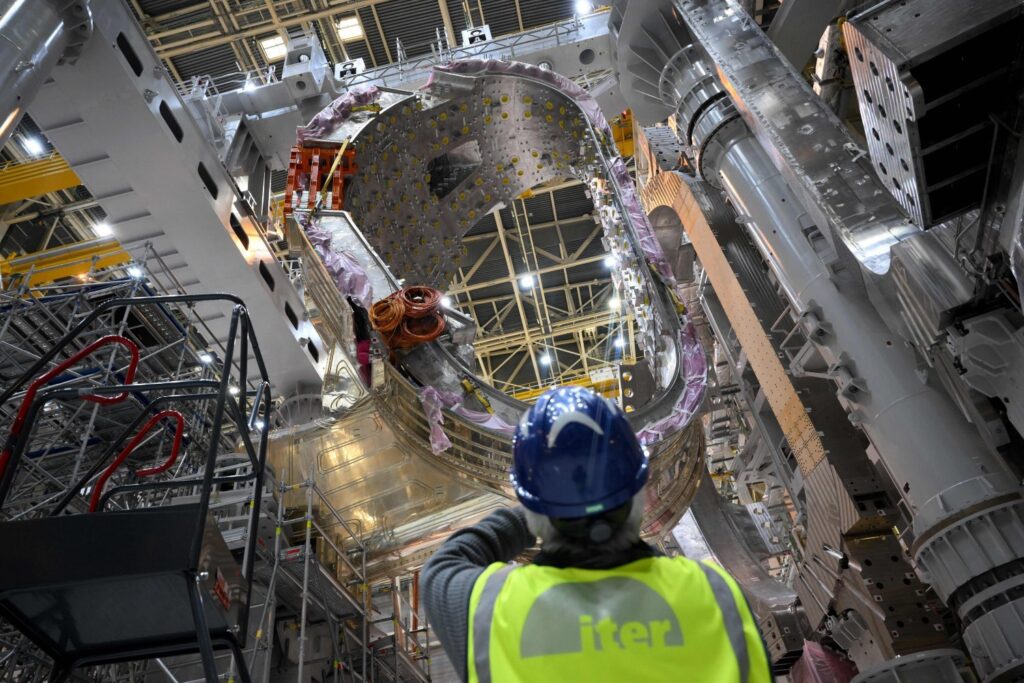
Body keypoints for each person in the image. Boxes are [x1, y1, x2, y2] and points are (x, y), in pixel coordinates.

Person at [421, 386, 772, 682]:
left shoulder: (491, 609)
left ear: (534, 510)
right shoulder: (713, 596)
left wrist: (535, 510)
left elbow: (443, 565)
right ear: (642, 493)